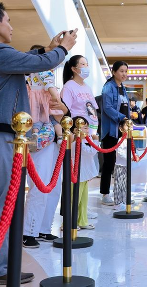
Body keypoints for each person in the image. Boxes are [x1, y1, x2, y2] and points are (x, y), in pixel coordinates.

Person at [0, 1, 76, 285]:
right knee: (3, 205)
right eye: (8, 21)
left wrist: (47, 49)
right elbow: (38, 64)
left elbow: (25, 59)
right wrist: (63, 50)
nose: (11, 27)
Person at [61, 54, 99, 222]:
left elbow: (92, 110)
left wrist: (94, 130)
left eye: (87, 63)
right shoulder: (69, 87)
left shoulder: (87, 87)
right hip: (77, 135)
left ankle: (82, 209)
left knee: (86, 174)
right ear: (74, 68)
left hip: (88, 134)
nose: (86, 67)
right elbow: (65, 112)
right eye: (83, 64)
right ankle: (72, 213)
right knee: (77, 174)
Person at [100, 61, 130, 206]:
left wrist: (127, 121)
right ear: (114, 72)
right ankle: (105, 194)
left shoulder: (122, 88)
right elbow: (107, 108)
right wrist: (122, 118)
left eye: (126, 71)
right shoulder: (108, 87)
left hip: (122, 130)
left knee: (122, 161)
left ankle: (121, 193)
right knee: (109, 162)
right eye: (121, 71)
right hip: (111, 130)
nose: (124, 74)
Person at [25, 44, 64, 148]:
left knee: (36, 119)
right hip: (45, 98)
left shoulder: (29, 72)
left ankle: (35, 133)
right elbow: (48, 84)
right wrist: (54, 95)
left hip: (33, 98)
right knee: (52, 118)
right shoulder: (44, 70)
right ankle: (60, 137)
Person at [74, 117, 99, 229]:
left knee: (83, 200)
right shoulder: (75, 142)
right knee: (74, 200)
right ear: (76, 130)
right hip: (76, 176)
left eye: (87, 127)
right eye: (85, 127)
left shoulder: (83, 141)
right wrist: (96, 141)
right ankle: (70, 223)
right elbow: (90, 152)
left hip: (83, 175)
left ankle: (82, 221)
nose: (87, 130)